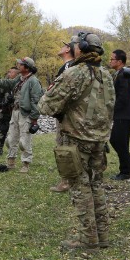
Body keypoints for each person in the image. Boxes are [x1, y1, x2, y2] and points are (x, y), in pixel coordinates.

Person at [38, 32, 115, 249]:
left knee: (80, 187)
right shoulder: (106, 75)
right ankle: (102, 235)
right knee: (96, 185)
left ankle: (87, 238)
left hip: (76, 140)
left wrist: (48, 95)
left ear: (80, 48)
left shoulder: (74, 74)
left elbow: (47, 106)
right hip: (100, 140)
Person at [0, 57, 43, 173]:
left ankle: (26, 164)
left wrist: (34, 119)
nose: (18, 65)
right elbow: (7, 83)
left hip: (26, 114)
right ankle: (11, 162)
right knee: (11, 139)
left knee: (24, 140)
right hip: (15, 112)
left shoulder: (34, 81)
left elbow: (36, 101)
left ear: (26, 67)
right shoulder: (19, 79)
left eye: (20, 64)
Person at [108, 49, 130, 180]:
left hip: (124, 114)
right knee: (120, 142)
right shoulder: (120, 73)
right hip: (124, 114)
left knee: (117, 141)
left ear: (119, 61)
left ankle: (125, 172)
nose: (110, 61)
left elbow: (123, 97)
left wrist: (112, 110)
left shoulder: (123, 75)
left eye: (112, 59)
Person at [49, 40, 75, 193]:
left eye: (64, 45)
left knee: (64, 146)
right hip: (66, 114)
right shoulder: (67, 66)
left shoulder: (69, 66)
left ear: (67, 50)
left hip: (66, 115)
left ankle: (66, 182)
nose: (61, 46)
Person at [0, 67, 19, 155]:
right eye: (9, 72)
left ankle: (13, 147)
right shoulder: (3, 85)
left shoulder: (19, 84)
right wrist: (6, 102)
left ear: (16, 74)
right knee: (3, 130)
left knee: (16, 131)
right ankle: (0, 148)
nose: (9, 74)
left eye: (11, 72)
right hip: (5, 112)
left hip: (16, 111)